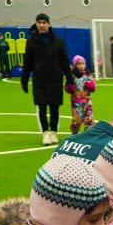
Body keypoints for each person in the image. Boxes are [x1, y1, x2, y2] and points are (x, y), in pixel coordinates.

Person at [21, 13, 74, 146]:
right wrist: (24, 79)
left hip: (55, 79)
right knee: (42, 107)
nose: (42, 25)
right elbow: (27, 62)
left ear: (49, 24)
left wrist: (69, 78)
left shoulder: (58, 41)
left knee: (55, 107)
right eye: (39, 22)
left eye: (44, 22)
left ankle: (54, 132)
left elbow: (64, 61)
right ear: (36, 24)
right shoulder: (31, 41)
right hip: (39, 80)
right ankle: (45, 133)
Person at [66, 55, 97, 135]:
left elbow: (93, 88)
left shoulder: (88, 75)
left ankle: (89, 135)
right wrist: (71, 86)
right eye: (78, 64)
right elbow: (67, 89)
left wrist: (90, 84)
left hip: (87, 102)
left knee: (89, 119)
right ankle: (74, 130)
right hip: (76, 103)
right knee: (77, 120)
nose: (81, 66)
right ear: (75, 65)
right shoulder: (72, 76)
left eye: (83, 63)